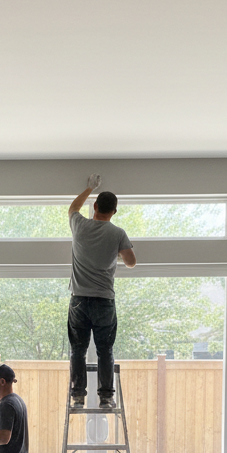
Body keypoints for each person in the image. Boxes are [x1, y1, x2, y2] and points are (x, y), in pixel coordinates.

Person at [67, 174, 137, 409]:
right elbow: (131, 262)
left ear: (95, 207)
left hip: (79, 300)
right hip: (104, 302)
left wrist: (89, 187)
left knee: (78, 349)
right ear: (114, 212)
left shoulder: (79, 225)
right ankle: (106, 397)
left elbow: (73, 208)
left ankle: (78, 395)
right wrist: (115, 253)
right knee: (104, 349)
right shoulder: (118, 234)